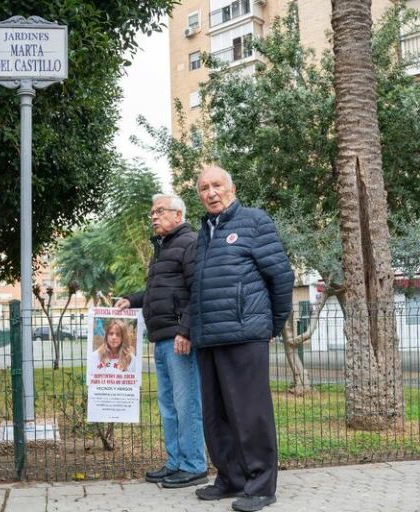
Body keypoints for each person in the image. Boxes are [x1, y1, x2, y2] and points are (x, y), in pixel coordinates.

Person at [190, 165, 293, 512]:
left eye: (217, 185)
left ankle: (261, 485)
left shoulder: (254, 221)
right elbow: (198, 288)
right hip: (210, 338)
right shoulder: (204, 231)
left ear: (231, 189)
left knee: (250, 414)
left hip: (245, 334)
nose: (211, 192)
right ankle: (231, 478)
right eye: (204, 188)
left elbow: (281, 277)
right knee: (216, 416)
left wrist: (272, 324)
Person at [116, 193, 207, 489]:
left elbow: (198, 290)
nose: (154, 216)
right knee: (168, 405)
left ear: (178, 215)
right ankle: (175, 463)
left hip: (179, 340)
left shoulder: (189, 243)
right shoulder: (163, 248)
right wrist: (130, 300)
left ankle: (194, 465)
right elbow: (158, 294)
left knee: (186, 404)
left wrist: (186, 330)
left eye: (160, 211)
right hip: (162, 339)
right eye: (152, 212)